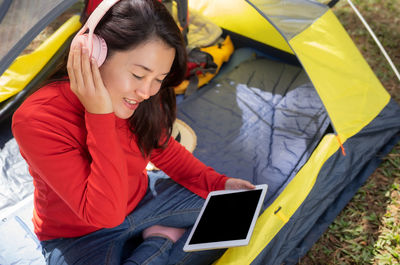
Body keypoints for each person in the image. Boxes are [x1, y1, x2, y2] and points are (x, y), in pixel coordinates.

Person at [12, 0, 255, 264]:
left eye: (159, 79)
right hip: (78, 234)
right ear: (92, 55)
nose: (147, 91)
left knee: (241, 213)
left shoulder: (140, 98)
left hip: (144, 199)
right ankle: (160, 240)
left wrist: (219, 184)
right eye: (139, 75)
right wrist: (100, 115)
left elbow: (162, 148)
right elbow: (104, 214)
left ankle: (157, 237)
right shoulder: (37, 119)